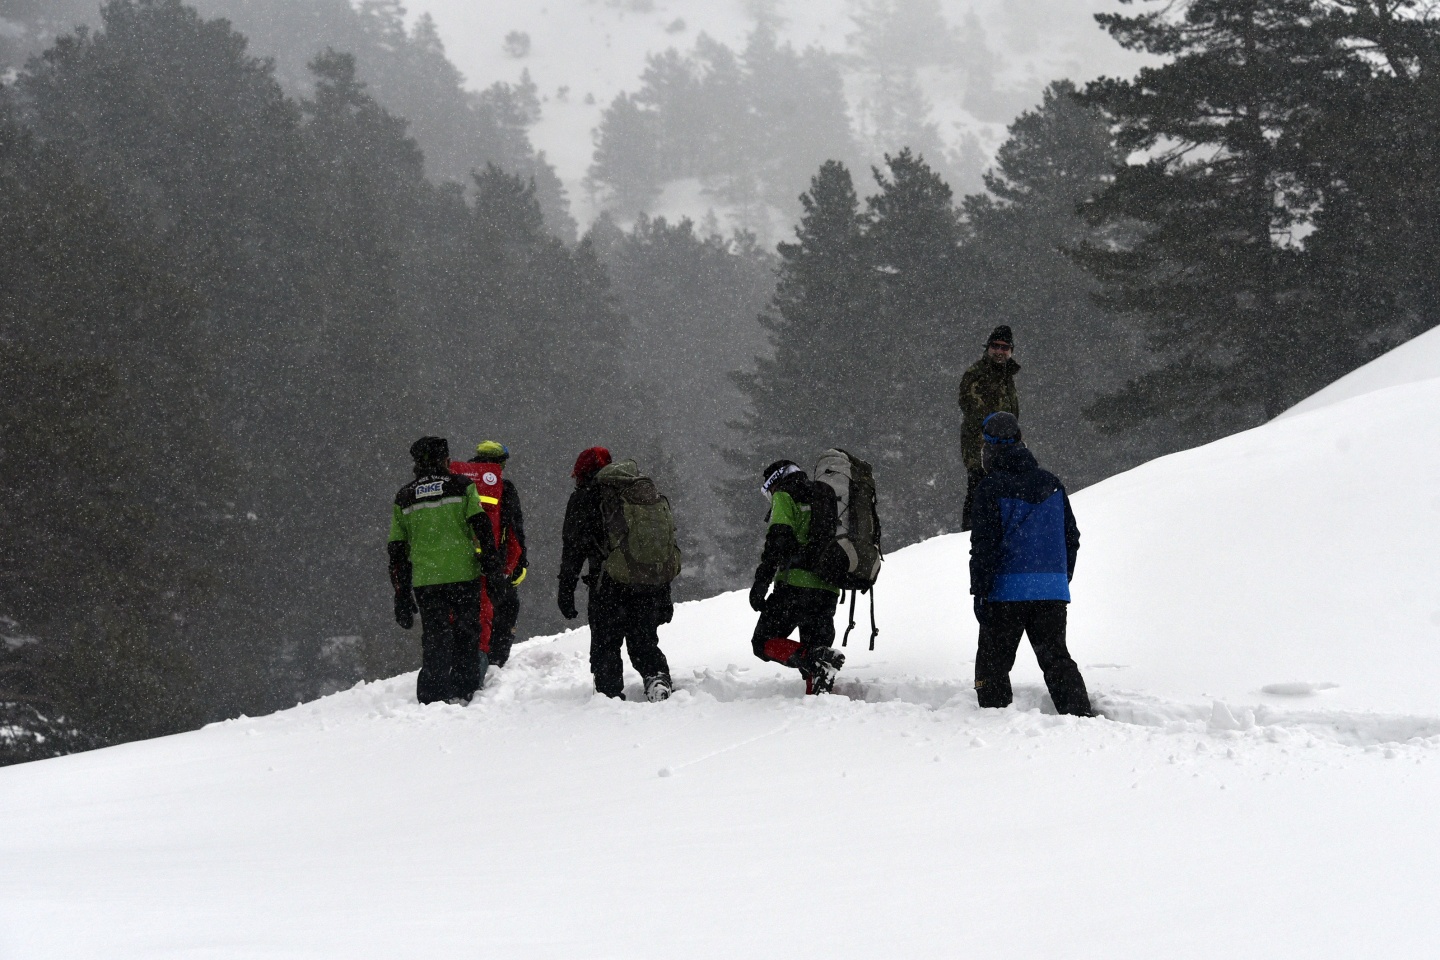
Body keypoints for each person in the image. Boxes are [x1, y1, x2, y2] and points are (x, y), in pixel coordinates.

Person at [968, 413, 1093, 717]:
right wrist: (1061, 577)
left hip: (1005, 591)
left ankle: (994, 718)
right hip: (1051, 589)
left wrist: (980, 591)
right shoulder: (1051, 483)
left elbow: (984, 547)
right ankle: (1080, 716)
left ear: (989, 447)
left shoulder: (990, 487)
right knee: (1056, 659)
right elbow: (1071, 536)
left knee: (993, 663)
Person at [388, 436, 512, 705]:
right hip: (463, 574)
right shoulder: (462, 486)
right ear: (445, 460)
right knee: (468, 634)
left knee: (435, 637)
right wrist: (491, 572)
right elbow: (481, 529)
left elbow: (397, 550)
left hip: (426, 580)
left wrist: (401, 593)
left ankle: (432, 695)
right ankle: (463, 689)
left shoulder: (404, 496)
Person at [557, 447, 676, 701]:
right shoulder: (638, 493)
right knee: (643, 639)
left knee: (605, 644)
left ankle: (609, 696)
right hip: (647, 583)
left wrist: (566, 590)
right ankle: (657, 680)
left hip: (608, 584)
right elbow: (658, 546)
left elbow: (573, 549)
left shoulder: (584, 498)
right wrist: (664, 594)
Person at [748, 460, 846, 695]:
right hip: (829, 587)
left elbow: (778, 541)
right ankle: (818, 699)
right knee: (817, 655)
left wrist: (761, 583)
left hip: (795, 586)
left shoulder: (784, 494)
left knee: (762, 642)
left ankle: (811, 657)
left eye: (767, 491)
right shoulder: (826, 495)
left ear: (774, 482)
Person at [449, 441, 528, 668]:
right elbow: (514, 529)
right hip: (495, 561)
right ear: (501, 462)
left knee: (462, 612)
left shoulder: (459, 484)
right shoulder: (504, 487)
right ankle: (493, 660)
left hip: (458, 561)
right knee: (503, 606)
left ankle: (459, 661)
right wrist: (518, 563)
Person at [958, 325, 1021, 531]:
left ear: (1011, 350)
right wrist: (997, 434)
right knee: (978, 491)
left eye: (1004, 347)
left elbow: (1012, 413)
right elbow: (973, 411)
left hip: (1005, 448)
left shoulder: (1006, 376)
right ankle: (967, 537)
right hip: (980, 447)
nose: (1000, 351)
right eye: (996, 346)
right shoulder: (976, 374)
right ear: (988, 348)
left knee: (1001, 494)